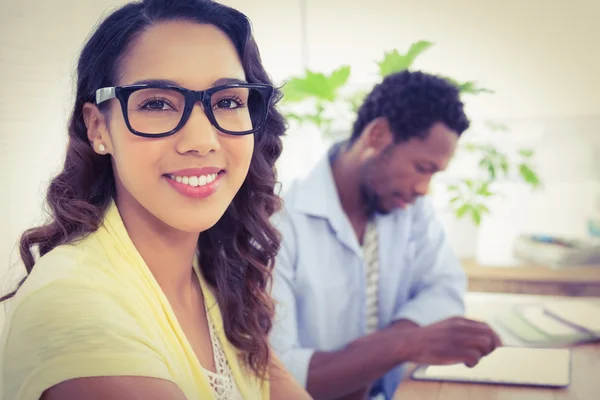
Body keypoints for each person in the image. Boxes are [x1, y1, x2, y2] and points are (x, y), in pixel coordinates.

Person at [0, 1, 311, 399]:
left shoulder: (214, 279)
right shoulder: (73, 304)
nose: (201, 141)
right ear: (99, 127)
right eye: (157, 103)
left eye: (228, 101)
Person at [269, 70, 503, 400]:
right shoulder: (279, 222)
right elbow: (278, 376)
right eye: (422, 168)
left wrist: (387, 346)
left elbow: (445, 287)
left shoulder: (409, 207)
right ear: (378, 135)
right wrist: (406, 344)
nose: (424, 189)